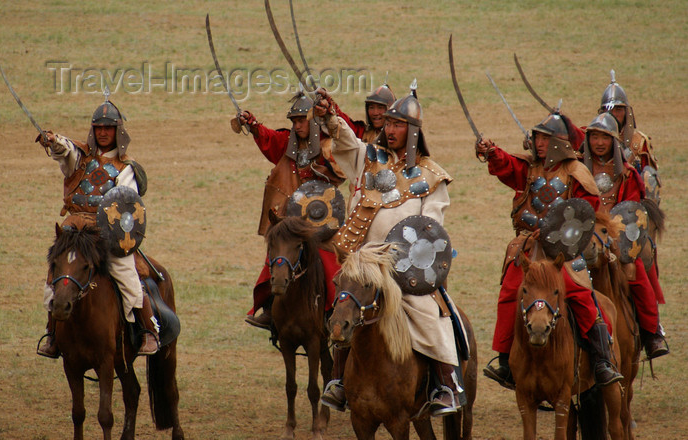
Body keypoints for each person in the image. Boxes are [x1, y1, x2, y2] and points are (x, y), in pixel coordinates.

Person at [315, 81, 462, 417]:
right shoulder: (369, 158)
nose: (391, 129)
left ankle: (446, 385)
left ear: (413, 131)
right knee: (343, 306)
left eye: (398, 125)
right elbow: (346, 143)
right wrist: (331, 118)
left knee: (429, 311)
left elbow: (430, 232)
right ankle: (338, 381)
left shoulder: (432, 177)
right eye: (390, 123)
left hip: (404, 269)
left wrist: (403, 265)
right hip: (363, 265)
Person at [475, 111, 623, 389]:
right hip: (529, 250)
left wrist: (557, 229)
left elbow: (586, 211)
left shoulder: (576, 172)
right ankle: (506, 361)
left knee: (580, 294)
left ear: (558, 142)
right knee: (510, 292)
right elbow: (507, 166)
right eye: (537, 138)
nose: (539, 143)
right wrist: (491, 151)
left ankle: (602, 360)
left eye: (545, 138)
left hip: (562, 253)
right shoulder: (530, 169)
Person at [36, 96, 159, 358]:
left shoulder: (126, 168)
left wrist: (111, 235)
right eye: (98, 128)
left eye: (108, 128)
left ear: (118, 131)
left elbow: (126, 204)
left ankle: (149, 331)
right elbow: (64, 150)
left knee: (127, 274)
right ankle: (53, 334)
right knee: (55, 276)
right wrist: (53, 141)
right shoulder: (80, 157)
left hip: (105, 236)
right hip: (72, 233)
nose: (103, 133)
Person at [238, 90, 345, 329]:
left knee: (332, 258)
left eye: (301, 121)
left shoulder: (329, 147)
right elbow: (270, 139)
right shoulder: (288, 146)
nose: (297, 126)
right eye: (294, 122)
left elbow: (342, 169)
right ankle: (270, 309)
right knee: (277, 255)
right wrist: (254, 125)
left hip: (321, 221)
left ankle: (335, 308)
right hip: (291, 222)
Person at [582, 112, 669, 359]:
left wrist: (614, 240)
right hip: (585, 240)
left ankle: (652, 333)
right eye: (595, 137)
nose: (599, 142)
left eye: (605, 138)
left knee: (637, 275)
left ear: (614, 140)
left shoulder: (629, 174)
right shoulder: (579, 169)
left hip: (618, 240)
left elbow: (631, 213)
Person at [598, 70, 661, 202]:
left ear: (627, 112)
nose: (614, 114)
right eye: (609, 110)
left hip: (631, 207)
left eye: (618, 110)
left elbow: (649, 183)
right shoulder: (593, 139)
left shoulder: (639, 142)